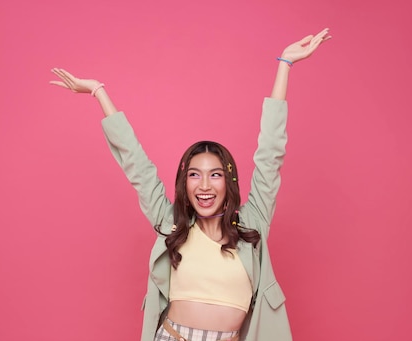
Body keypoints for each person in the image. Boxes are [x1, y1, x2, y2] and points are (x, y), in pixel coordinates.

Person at [50, 28, 331, 341]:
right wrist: (99, 92)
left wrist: (285, 64)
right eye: (194, 174)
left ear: (229, 181)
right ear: (184, 183)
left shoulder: (253, 223)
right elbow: (137, 166)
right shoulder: (172, 223)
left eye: (215, 174)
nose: (204, 184)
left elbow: (270, 155)